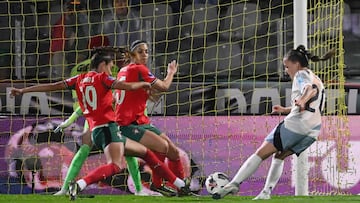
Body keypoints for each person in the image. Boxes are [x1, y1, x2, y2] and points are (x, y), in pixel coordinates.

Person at [10, 51, 192, 200]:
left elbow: (52, 86)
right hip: (109, 129)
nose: (112, 68)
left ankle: (180, 185)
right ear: (103, 65)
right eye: (110, 65)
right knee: (115, 165)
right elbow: (126, 86)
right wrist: (143, 83)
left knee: (145, 153)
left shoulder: (78, 80)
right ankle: (79, 185)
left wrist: (23, 90)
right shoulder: (103, 79)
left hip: (95, 129)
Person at [211, 45, 335, 200]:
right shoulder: (316, 77)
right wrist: (285, 109)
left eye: (287, 66)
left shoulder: (301, 75)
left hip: (296, 126)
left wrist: (302, 100)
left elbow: (310, 91)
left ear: (296, 64)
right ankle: (266, 192)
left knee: (261, 153)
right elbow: (313, 102)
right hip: (313, 130)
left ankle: (234, 184)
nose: (286, 70)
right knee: (279, 155)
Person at [114, 40, 187, 196]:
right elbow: (165, 87)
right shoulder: (139, 69)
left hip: (141, 120)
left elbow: (131, 94)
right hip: (127, 124)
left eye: (146, 51)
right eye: (140, 51)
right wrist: (171, 72)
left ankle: (182, 189)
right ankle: (157, 184)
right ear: (132, 54)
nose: (145, 55)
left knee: (173, 152)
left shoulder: (123, 70)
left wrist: (146, 93)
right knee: (162, 147)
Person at [50, 0, 89, 80]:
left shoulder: (85, 24)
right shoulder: (60, 22)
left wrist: (84, 17)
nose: (74, 12)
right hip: (63, 61)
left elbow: (87, 40)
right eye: (71, 8)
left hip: (81, 58)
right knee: (58, 56)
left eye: (77, 8)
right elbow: (57, 46)